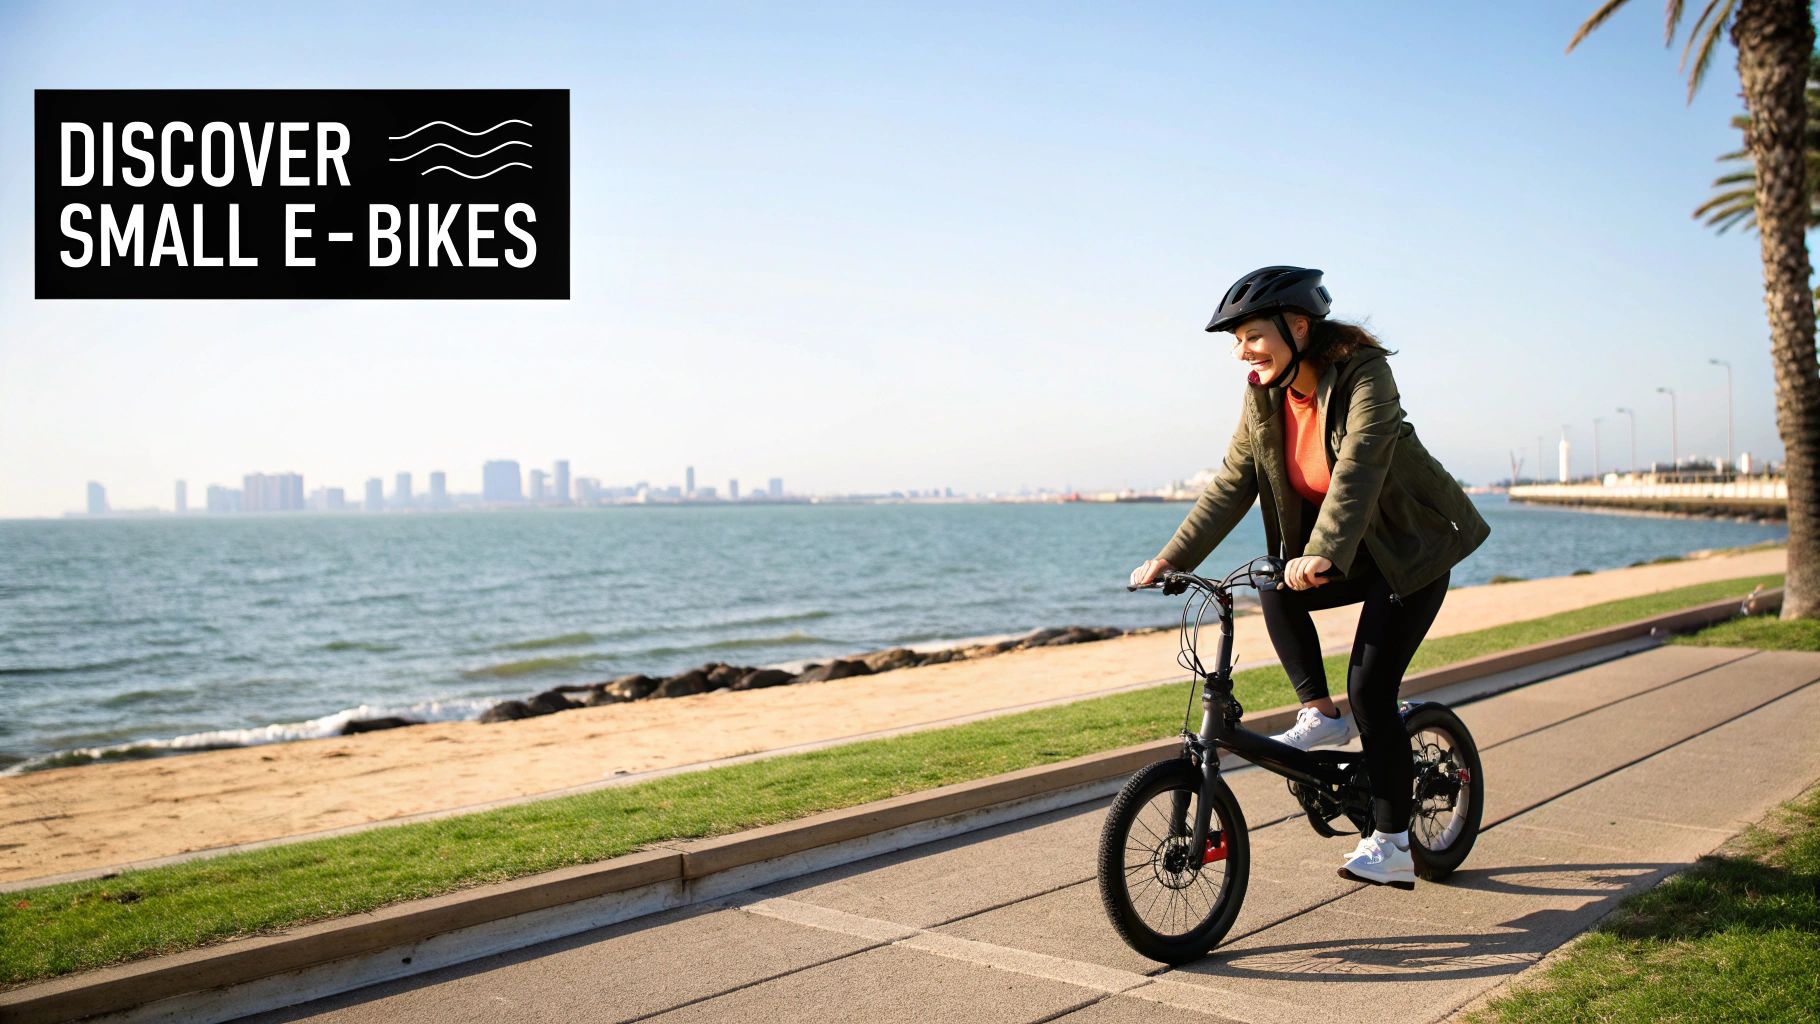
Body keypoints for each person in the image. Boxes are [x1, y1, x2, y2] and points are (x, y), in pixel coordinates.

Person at [1128, 265, 1489, 889]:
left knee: (1372, 689)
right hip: (1346, 554)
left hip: (1408, 555)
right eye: (1235, 340)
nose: (1242, 351)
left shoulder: (1365, 376)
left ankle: (1395, 842)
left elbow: (1359, 469)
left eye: (1252, 335)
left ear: (1298, 326)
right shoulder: (1262, 396)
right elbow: (1232, 483)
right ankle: (1320, 714)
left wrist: (1320, 551)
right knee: (1269, 581)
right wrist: (1171, 558)